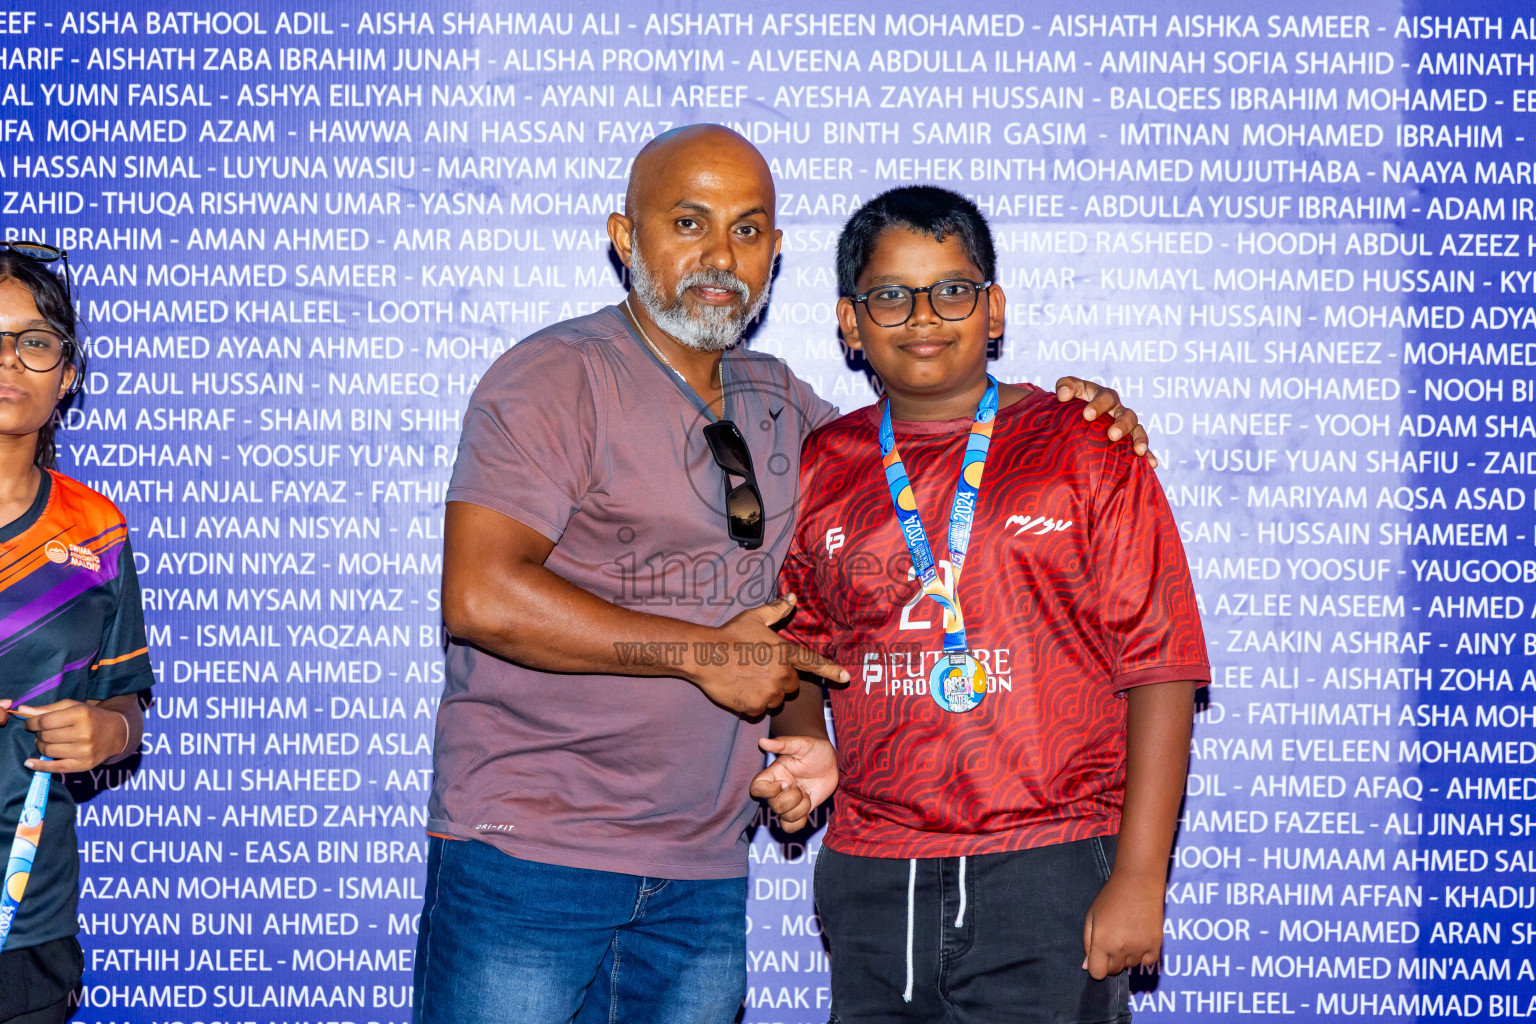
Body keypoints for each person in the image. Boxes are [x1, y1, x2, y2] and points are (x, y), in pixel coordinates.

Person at [414, 126, 1155, 1024]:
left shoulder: (791, 408)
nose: (719, 255)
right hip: (532, 856)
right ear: (625, 236)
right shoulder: (555, 377)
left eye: (749, 228)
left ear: (774, 253)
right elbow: (480, 596)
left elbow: (922, 457)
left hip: (702, 874)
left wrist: (1070, 416)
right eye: (688, 222)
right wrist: (695, 654)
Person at [765, 186, 1210, 1023]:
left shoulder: (1085, 447)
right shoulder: (822, 465)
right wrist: (800, 740)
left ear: (993, 308)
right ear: (850, 323)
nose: (923, 315)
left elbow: (1162, 666)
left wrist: (1141, 875)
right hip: (872, 872)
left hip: (1048, 867)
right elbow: (799, 646)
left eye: (953, 290)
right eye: (890, 295)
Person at [0, 244, 153, 1024]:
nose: (8, 362)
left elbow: (126, 706)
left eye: (34, 342)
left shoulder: (94, 532)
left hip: (26, 918)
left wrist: (106, 731)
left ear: (66, 377)